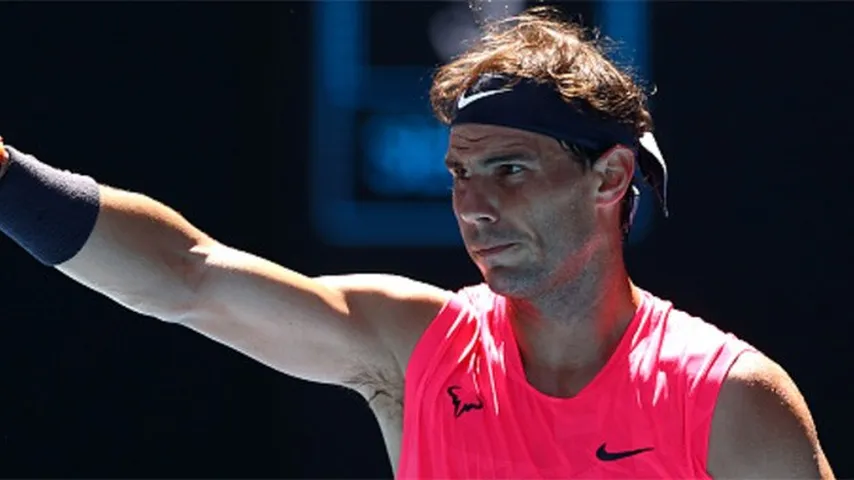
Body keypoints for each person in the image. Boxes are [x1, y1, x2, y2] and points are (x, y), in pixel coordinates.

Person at [0, 7, 833, 479]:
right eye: (460, 175)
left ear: (610, 179)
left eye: (509, 169)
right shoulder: (416, 351)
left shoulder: (731, 401)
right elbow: (190, 277)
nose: (473, 205)